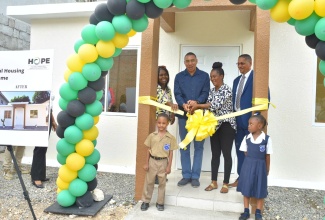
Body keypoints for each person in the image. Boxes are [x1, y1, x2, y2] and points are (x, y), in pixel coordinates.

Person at [189, 62, 236, 193]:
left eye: (215, 76)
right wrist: (194, 109)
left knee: (227, 154)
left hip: (227, 126)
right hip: (214, 126)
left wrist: (198, 106)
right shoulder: (211, 91)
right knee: (215, 154)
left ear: (222, 76)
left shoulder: (226, 89)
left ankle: (225, 183)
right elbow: (207, 107)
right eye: (211, 77)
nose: (213, 79)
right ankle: (214, 182)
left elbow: (214, 106)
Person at [174, 52, 210, 187]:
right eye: (187, 61)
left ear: (196, 61)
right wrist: (183, 104)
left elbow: (206, 92)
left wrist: (197, 102)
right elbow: (177, 93)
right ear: (184, 62)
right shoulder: (179, 77)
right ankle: (186, 175)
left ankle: (195, 176)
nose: (190, 63)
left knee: (199, 147)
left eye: (192, 61)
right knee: (185, 145)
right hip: (183, 115)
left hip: (199, 116)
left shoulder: (204, 76)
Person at [237, 114, 273, 220]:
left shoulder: (266, 139)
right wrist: (251, 162)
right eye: (248, 124)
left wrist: (267, 169)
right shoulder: (246, 138)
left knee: (260, 187)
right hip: (248, 166)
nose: (248, 126)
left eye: (251, 124)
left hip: (260, 167)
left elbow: (267, 156)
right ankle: (246, 211)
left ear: (259, 126)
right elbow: (246, 152)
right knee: (247, 187)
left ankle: (258, 212)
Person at [140, 113, 178, 211]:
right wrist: (146, 163)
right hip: (152, 161)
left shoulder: (170, 138)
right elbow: (148, 150)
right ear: (157, 123)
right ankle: (146, 201)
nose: (161, 125)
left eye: (163, 123)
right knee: (149, 182)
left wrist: (169, 166)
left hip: (163, 162)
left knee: (162, 183)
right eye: (159, 123)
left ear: (168, 124)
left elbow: (171, 153)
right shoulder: (152, 136)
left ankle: (160, 202)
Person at [31, 110, 57, 188]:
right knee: (39, 149)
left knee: (43, 148)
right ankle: (36, 177)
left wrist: (53, 120)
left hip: (47, 120)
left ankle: (41, 175)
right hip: (39, 119)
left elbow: (50, 108)